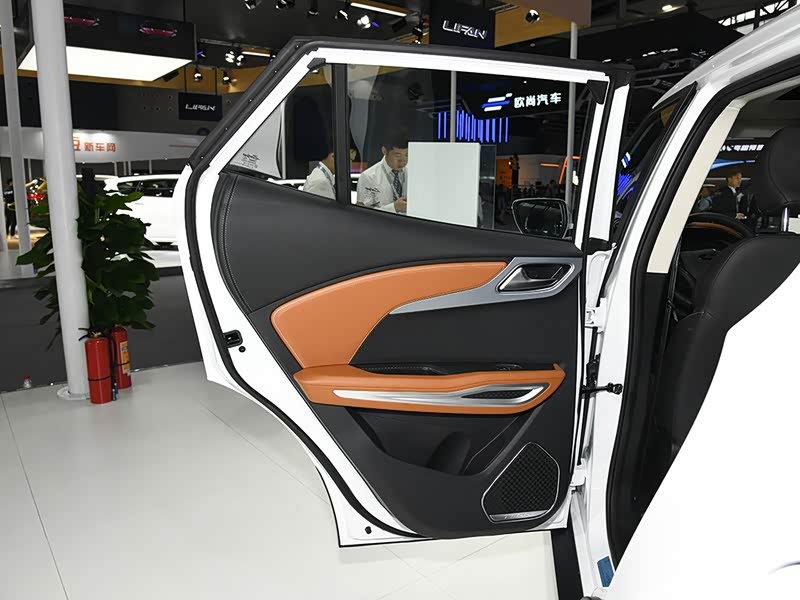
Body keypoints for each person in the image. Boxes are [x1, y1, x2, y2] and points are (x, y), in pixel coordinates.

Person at [356, 132, 408, 214]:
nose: (403, 161)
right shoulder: (369, 177)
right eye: (397, 155)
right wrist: (393, 208)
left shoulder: (413, 172)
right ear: (384, 151)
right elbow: (364, 214)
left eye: (406, 155)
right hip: (381, 222)